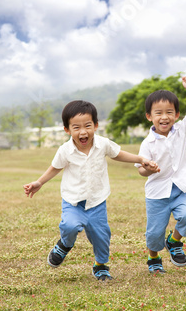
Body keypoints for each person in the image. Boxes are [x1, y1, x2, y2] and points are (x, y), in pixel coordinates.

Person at [23, 100, 159, 281]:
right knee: (70, 226)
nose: (83, 132)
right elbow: (55, 167)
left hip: (96, 202)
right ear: (67, 130)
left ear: (95, 125)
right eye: (76, 127)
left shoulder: (103, 144)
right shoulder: (65, 150)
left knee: (102, 236)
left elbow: (118, 154)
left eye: (87, 126)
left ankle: (100, 265)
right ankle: (64, 244)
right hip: (73, 201)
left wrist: (140, 159)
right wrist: (39, 182)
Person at [136, 76, 186, 274]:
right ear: (149, 116)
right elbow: (141, 170)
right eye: (159, 113)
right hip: (157, 193)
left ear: (177, 114)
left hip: (179, 188)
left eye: (169, 112)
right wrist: (148, 168)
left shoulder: (181, 130)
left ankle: (173, 241)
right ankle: (153, 257)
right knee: (155, 233)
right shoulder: (147, 143)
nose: (164, 117)